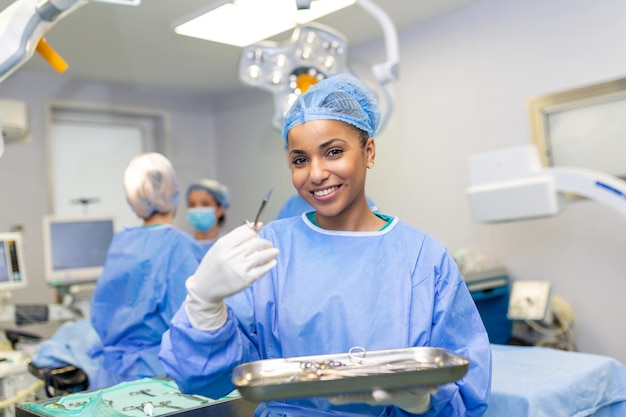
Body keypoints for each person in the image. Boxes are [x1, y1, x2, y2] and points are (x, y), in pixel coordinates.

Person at [159, 74, 491, 416]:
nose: (315, 174)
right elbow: (203, 381)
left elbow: (465, 386)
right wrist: (204, 305)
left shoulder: (423, 259)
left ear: (369, 151)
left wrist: (425, 402)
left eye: (333, 152)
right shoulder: (271, 249)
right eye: (300, 160)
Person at [89, 152, 205, 389]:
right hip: (158, 375)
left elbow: (103, 310)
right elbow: (194, 320)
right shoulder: (177, 245)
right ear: (172, 191)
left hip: (112, 375)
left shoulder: (122, 241)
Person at [185, 179, 230, 252]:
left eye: (205, 204)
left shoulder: (230, 245)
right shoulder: (183, 247)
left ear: (220, 210)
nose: (197, 209)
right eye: (192, 205)